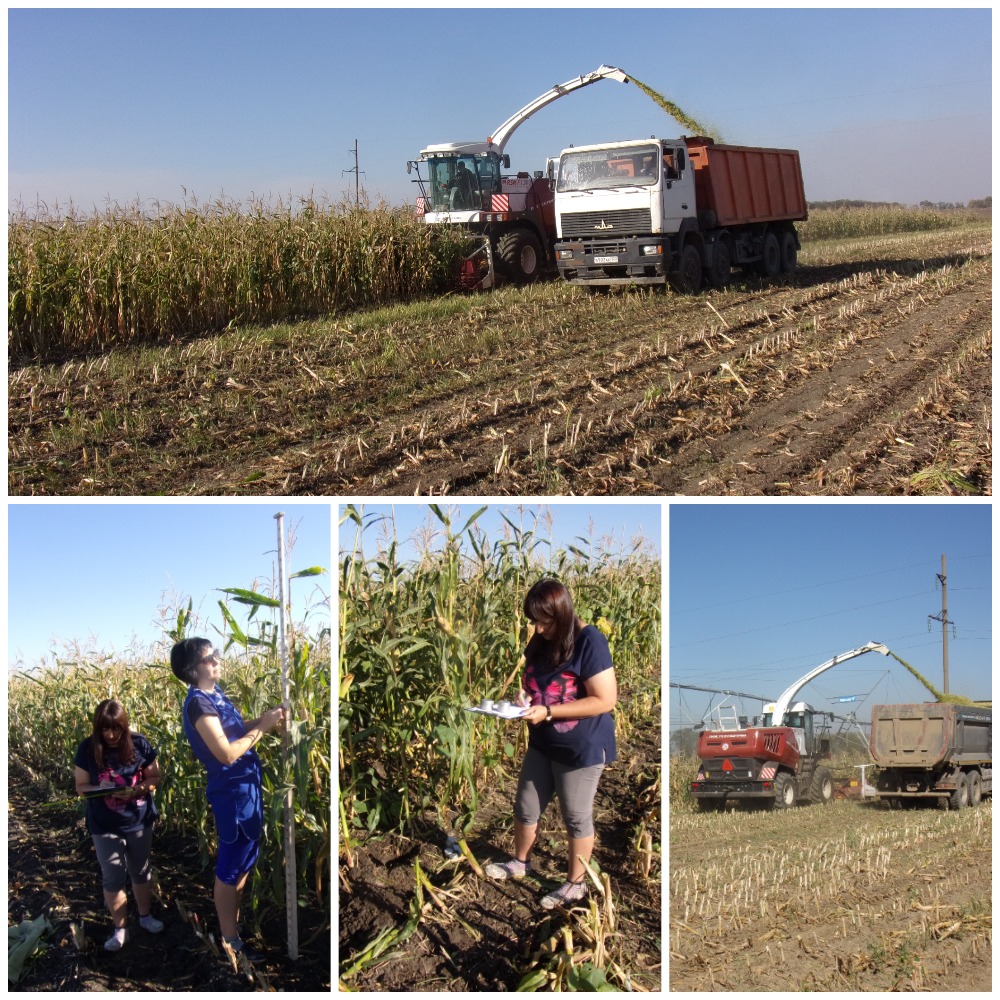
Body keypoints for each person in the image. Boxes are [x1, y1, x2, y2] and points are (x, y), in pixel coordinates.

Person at [484, 578, 618, 909]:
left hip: (580, 749)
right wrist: (525, 697)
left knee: (576, 817)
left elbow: (605, 700)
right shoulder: (542, 640)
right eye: (534, 621)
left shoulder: (590, 642)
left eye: (543, 621)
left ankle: (575, 884)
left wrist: (548, 711)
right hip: (543, 742)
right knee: (526, 807)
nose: (538, 628)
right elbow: (534, 681)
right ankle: (520, 862)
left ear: (562, 615)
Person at [170, 637, 285, 959]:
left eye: (216, 655)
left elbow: (234, 730)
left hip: (245, 789)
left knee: (244, 861)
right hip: (232, 794)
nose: (217, 660)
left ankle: (232, 926)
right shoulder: (199, 704)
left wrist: (264, 720)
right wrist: (262, 728)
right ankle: (230, 939)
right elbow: (226, 752)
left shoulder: (213, 695)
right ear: (192, 670)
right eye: (210, 658)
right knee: (231, 866)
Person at [74, 700, 163, 951]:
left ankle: (145, 917)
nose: (111, 735)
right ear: (97, 729)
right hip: (104, 824)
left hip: (139, 821)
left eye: (116, 729)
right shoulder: (87, 749)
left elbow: (155, 777)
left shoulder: (139, 744)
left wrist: (137, 789)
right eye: (105, 730)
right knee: (113, 876)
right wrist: (99, 788)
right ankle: (120, 929)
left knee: (141, 871)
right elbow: (81, 787)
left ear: (124, 726)